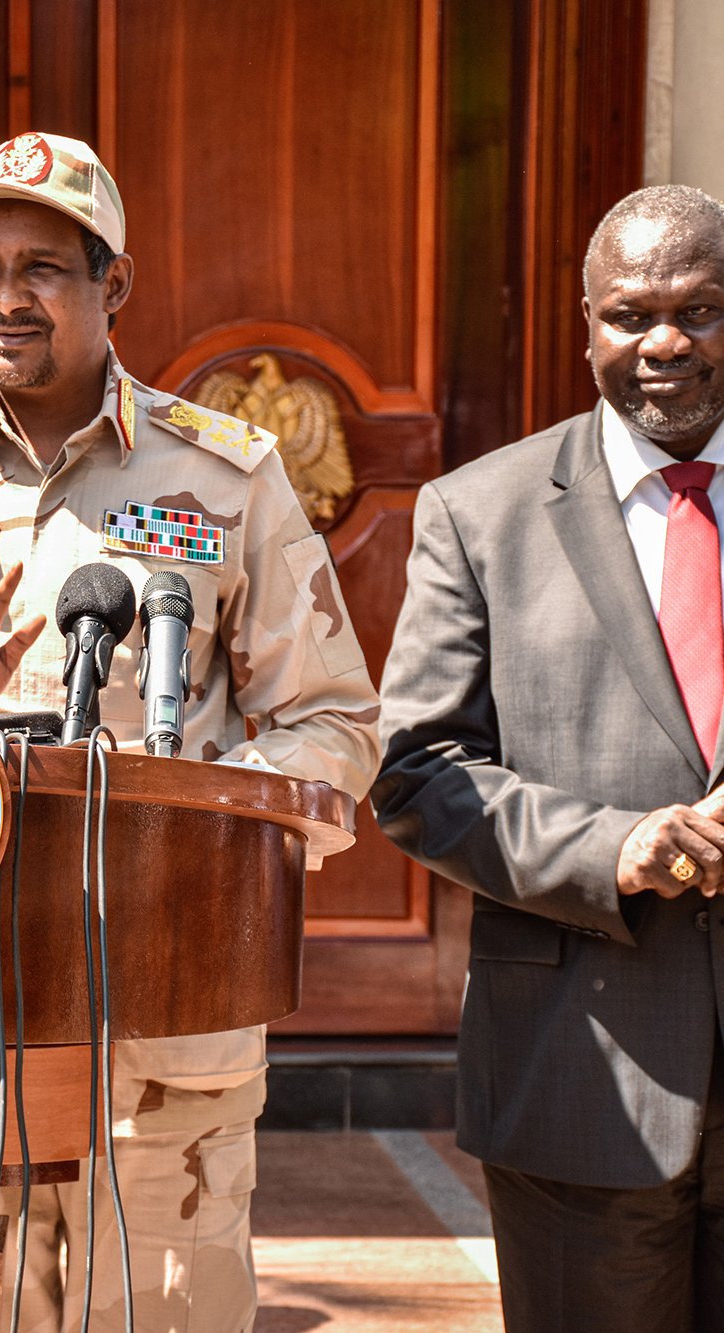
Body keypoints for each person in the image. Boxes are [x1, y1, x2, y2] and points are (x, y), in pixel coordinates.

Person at [0, 131, 380, 1330]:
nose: (5, 297)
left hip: (160, 1014)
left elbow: (332, 726)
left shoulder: (226, 476)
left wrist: (192, 833)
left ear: (114, 285)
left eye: (44, 267)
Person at [374, 184, 724, 1331]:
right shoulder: (479, 513)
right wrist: (615, 845)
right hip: (580, 1076)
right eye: (629, 314)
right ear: (586, 328)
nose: (663, 342)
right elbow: (419, 774)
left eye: (701, 309)